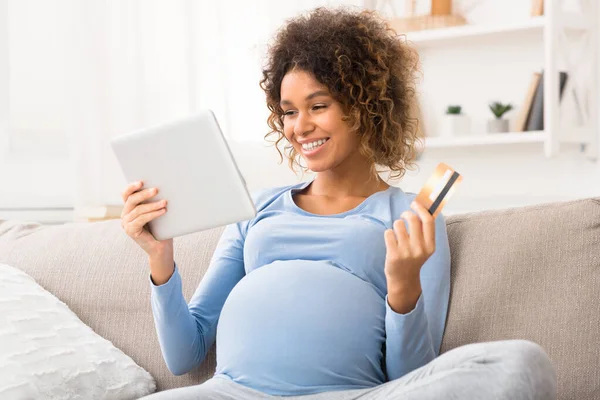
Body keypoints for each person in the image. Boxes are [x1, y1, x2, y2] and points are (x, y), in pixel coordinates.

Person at [121, 7, 557, 400]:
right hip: (232, 394)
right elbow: (184, 355)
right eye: (289, 111)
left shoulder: (411, 216)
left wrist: (404, 288)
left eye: (318, 105)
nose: (300, 127)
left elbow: (413, 377)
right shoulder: (256, 209)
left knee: (520, 363)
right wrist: (160, 257)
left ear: (366, 108)